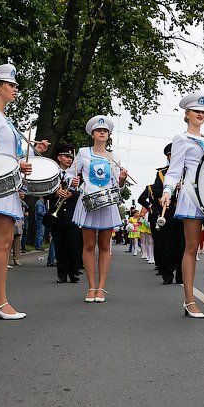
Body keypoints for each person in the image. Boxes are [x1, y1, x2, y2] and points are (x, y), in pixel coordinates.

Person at [0, 63, 48, 320]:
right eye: (12, 85)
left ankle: (0, 299)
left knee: (5, 243)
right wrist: (16, 162)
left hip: (7, 185)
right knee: (0, 243)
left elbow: (9, 150)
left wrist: (31, 153)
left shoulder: (3, 118)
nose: (16, 89)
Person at [160, 92, 204, 317]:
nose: (200, 114)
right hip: (191, 197)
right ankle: (189, 300)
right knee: (191, 248)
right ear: (187, 114)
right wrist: (167, 190)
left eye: (203, 112)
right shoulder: (181, 139)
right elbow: (174, 171)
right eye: (196, 111)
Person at [72, 116, 127, 303]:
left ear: (108, 135)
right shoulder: (82, 153)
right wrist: (74, 182)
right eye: (98, 130)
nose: (102, 132)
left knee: (105, 246)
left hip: (107, 204)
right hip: (88, 202)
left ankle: (102, 288)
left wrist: (122, 180)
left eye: (105, 131)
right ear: (93, 134)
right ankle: (91, 287)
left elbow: (118, 187)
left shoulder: (114, 157)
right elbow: (71, 175)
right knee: (88, 245)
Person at [137, 143, 185, 285]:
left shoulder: (187, 171)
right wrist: (168, 189)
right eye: (171, 155)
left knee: (182, 245)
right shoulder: (162, 173)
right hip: (167, 212)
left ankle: (181, 275)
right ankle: (167, 274)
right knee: (166, 244)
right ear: (168, 157)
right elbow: (155, 191)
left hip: (182, 212)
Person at [44, 144, 81, 283]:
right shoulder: (52, 174)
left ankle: (74, 273)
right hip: (57, 215)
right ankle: (62, 274)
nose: (69, 159)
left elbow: (81, 194)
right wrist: (55, 192)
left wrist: (73, 193)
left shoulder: (76, 176)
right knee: (59, 245)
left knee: (73, 245)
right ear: (59, 157)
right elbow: (45, 193)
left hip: (71, 215)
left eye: (71, 157)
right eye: (66, 156)